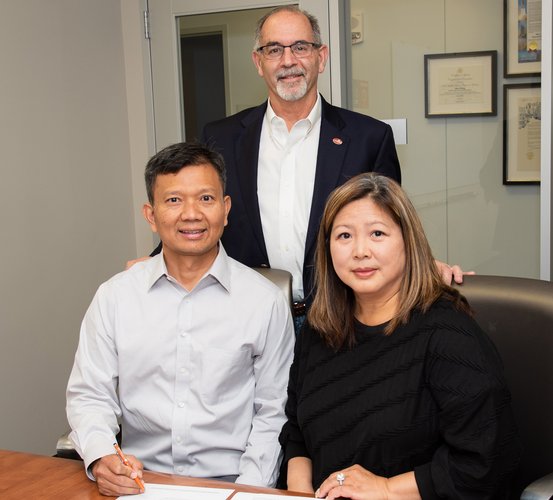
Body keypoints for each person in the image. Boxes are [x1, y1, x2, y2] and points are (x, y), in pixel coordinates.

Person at [199, 5, 466, 331]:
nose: (288, 61)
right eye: (274, 50)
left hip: (339, 320)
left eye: (300, 47)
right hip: (247, 320)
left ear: (321, 57)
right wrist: (159, 260)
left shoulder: (369, 138)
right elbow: (200, 213)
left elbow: (389, 224)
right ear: (258, 62)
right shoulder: (221, 138)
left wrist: (422, 264)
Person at [66, 142, 294, 497]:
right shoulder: (115, 297)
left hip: (233, 484)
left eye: (206, 198)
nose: (191, 214)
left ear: (226, 209)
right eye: (174, 200)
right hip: (140, 482)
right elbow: (90, 396)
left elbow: (274, 412)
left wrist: (248, 492)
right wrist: (101, 457)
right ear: (151, 215)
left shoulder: (264, 302)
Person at [278, 173, 520, 499]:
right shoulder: (318, 329)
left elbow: (485, 460)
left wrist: (387, 489)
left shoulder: (449, 335)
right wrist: (299, 493)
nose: (360, 251)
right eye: (344, 236)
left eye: (377, 233)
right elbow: (297, 432)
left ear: (408, 241)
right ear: (328, 248)